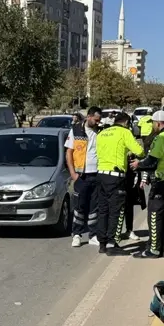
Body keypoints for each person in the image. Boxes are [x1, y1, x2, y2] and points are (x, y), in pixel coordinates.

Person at [131, 111, 164, 259]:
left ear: (158, 123)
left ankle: (154, 250)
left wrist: (138, 165)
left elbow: (152, 161)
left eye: (153, 123)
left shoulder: (162, 138)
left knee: (154, 215)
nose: (153, 126)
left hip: (160, 182)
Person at [95, 111, 144, 255]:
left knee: (103, 210)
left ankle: (102, 243)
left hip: (101, 174)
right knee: (116, 210)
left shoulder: (102, 133)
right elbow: (139, 151)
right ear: (126, 123)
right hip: (115, 176)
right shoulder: (124, 132)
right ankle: (112, 244)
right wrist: (129, 152)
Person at [65, 106, 102, 248]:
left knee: (94, 207)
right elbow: (69, 152)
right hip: (81, 175)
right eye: (96, 120)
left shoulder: (100, 131)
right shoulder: (76, 130)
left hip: (96, 174)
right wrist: (73, 173)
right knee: (80, 206)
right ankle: (77, 234)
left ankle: (93, 235)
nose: (98, 122)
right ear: (89, 116)